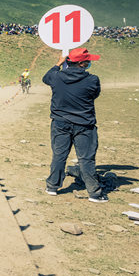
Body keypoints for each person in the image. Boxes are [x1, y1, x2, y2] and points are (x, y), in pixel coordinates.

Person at [42, 47, 107, 202]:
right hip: (84, 125)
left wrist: (58, 63)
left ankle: (52, 187)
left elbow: (46, 78)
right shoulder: (92, 80)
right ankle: (94, 193)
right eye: (88, 61)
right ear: (82, 64)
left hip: (60, 123)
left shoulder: (56, 77)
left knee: (59, 155)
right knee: (86, 159)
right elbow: (94, 95)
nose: (89, 63)